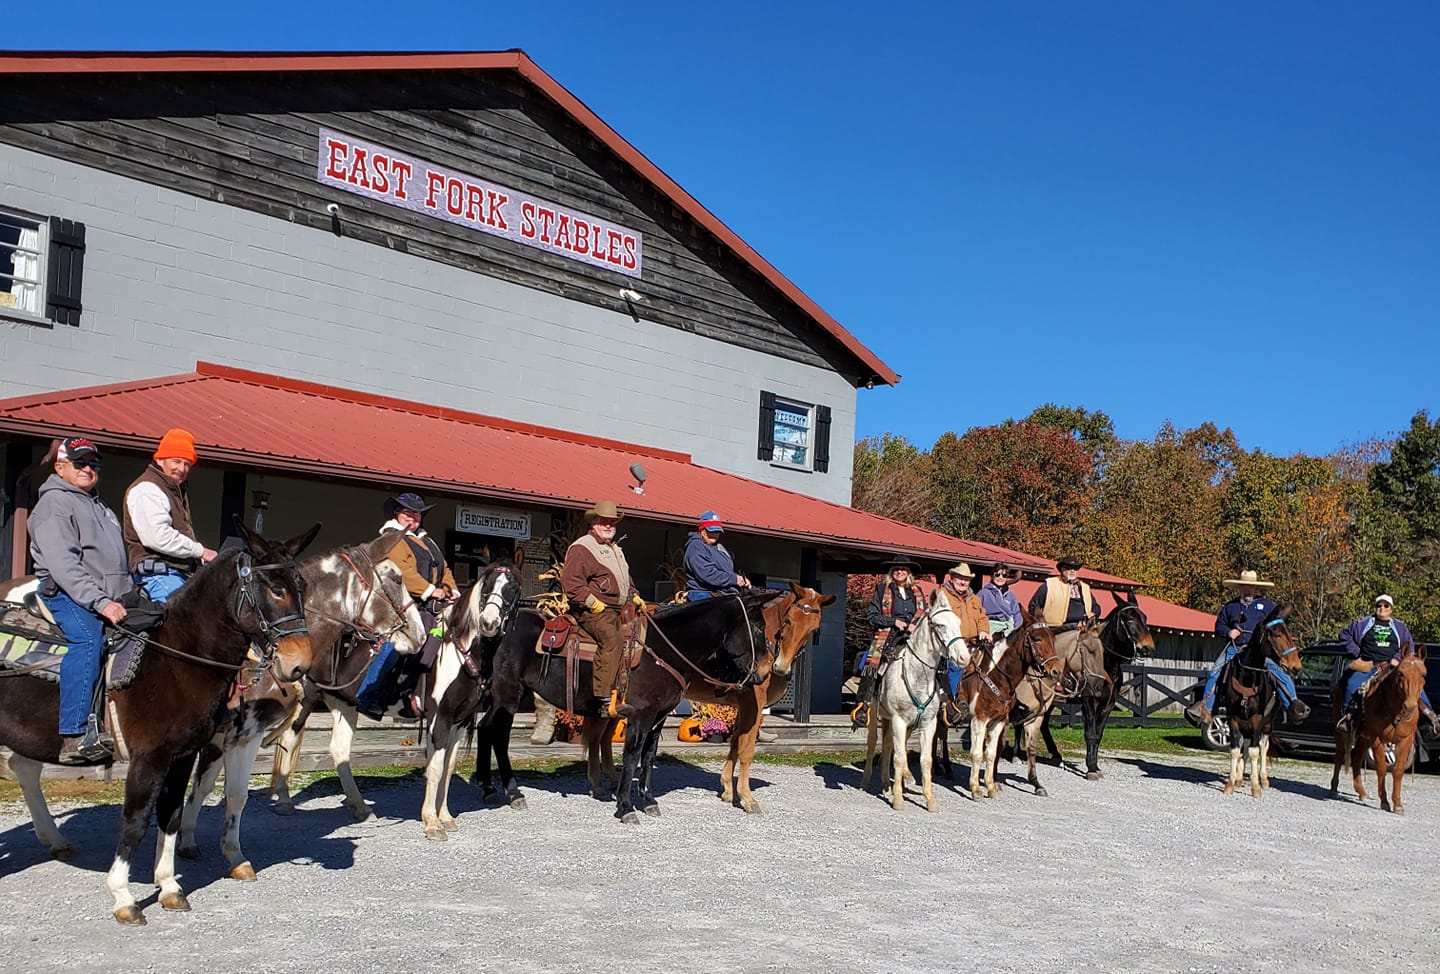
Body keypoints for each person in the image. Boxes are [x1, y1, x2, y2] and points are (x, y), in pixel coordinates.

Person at [27, 436, 130, 764]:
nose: (88, 469)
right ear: (60, 467)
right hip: (67, 592)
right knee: (88, 641)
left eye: (94, 464)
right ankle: (73, 735)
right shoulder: (54, 505)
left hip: (109, 594)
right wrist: (101, 603)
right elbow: (66, 567)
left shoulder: (98, 505)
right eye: (80, 463)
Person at [356, 491, 459, 719]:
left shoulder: (427, 541)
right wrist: (432, 591)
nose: (413, 517)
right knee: (397, 644)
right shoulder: (392, 538)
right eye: (408, 513)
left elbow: (445, 570)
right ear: (396, 514)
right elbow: (404, 572)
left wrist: (452, 592)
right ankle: (370, 693)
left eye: (418, 514)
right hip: (397, 603)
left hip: (428, 605)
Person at [1184, 570, 1309, 727]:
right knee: (1215, 671)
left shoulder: (1267, 606)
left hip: (1260, 650)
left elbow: (1278, 626)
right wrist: (1229, 631)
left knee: (1279, 673)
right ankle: (1206, 709)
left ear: (1255, 589)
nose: (1247, 590)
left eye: (1250, 587)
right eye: (1244, 587)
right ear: (1239, 588)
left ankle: (1293, 704)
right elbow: (1219, 626)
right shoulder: (1230, 607)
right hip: (1235, 647)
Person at [561, 500, 645, 718]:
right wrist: (592, 602)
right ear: (594, 523)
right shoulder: (583, 547)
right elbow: (571, 583)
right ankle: (604, 699)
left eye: (612, 522)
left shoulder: (615, 549)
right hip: (592, 611)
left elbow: (625, 579)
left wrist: (634, 596)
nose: (608, 526)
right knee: (612, 640)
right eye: (603, 522)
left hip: (617, 609)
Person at [122, 427, 217, 602]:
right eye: (176, 461)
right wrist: (200, 551)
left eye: (187, 464)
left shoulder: (174, 490)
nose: (182, 468)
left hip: (179, 573)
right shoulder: (147, 489)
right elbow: (157, 537)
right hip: (156, 575)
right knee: (185, 622)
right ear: (159, 459)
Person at [1335, 595, 1439, 733]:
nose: (1382, 608)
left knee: (1414, 686)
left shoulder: (1400, 627)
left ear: (1391, 609)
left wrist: (1398, 660)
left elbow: (1410, 648)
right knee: (1352, 684)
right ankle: (1348, 718)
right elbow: (1344, 635)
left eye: (1386, 606)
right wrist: (1358, 653)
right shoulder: (1363, 623)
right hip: (1369, 666)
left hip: (1392, 667)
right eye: (1379, 605)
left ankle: (1431, 719)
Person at [851, 554, 926, 725]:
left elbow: (924, 613)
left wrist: (915, 625)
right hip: (889, 635)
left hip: (914, 635)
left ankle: (946, 702)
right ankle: (863, 706)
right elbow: (872, 616)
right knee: (873, 665)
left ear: (908, 573)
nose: (900, 571)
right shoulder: (881, 590)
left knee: (937, 660)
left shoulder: (917, 592)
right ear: (892, 572)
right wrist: (894, 622)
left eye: (903, 569)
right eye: (897, 569)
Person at [938, 563, 992, 701]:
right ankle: (952, 701)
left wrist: (984, 630)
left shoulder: (974, 599)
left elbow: (982, 617)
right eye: (960, 578)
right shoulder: (943, 595)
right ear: (952, 578)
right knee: (957, 666)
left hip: (974, 643)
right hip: (951, 644)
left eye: (966, 579)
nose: (963, 582)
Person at [683, 510, 750, 600]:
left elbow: (727, 571)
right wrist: (735, 579)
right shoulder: (696, 546)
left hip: (722, 593)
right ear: (702, 530)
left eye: (717, 531)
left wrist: (741, 580)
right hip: (703, 593)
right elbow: (707, 574)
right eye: (711, 531)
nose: (714, 534)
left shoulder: (719, 548)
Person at [1028, 556, 1096, 633]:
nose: (1072, 571)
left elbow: (1096, 607)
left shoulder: (1085, 588)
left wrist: (1093, 613)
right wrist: (1040, 625)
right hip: (1056, 629)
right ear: (1062, 569)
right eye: (1069, 568)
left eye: (1075, 568)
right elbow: (1033, 606)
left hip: (1082, 627)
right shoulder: (1049, 585)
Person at [978, 563, 1023, 637]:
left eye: (1004, 575)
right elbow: (977, 613)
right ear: (992, 576)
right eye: (997, 575)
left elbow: (1016, 614)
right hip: (990, 629)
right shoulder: (983, 593)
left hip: (1009, 629)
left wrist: (1017, 629)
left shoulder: (1011, 596)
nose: (1000, 577)